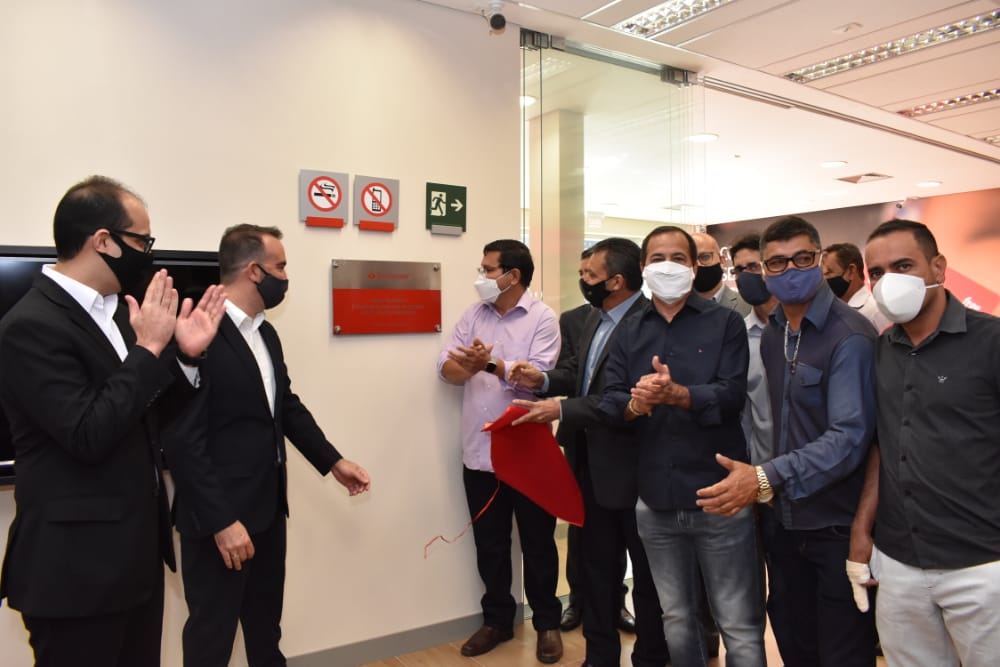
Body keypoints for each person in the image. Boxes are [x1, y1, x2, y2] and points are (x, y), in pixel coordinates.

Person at [0, 175, 226, 666]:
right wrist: (149, 349)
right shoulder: (30, 325)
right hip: (75, 575)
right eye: (142, 241)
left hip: (134, 564)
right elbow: (87, 433)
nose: (149, 254)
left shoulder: (120, 314)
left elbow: (148, 417)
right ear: (103, 240)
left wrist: (185, 357)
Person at [163, 224, 371, 667]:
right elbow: (182, 439)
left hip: (267, 510)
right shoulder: (198, 333)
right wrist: (222, 521)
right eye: (281, 266)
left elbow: (284, 406)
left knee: (265, 631)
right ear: (254, 271)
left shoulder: (265, 333)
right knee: (211, 639)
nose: (286, 276)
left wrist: (333, 461)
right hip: (219, 519)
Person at [697, 216, 877, 667]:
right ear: (764, 270)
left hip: (834, 524)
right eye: (777, 262)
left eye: (802, 258)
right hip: (782, 518)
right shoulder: (775, 332)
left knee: (841, 652)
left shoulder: (850, 335)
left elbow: (849, 437)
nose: (790, 269)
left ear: (819, 259)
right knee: (794, 643)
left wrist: (764, 476)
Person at [599, 226, 764, 667]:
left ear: (694, 266)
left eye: (678, 258)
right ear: (643, 267)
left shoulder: (725, 322)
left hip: (720, 494)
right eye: (658, 258)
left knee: (739, 624)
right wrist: (637, 403)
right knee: (675, 618)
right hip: (656, 497)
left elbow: (731, 396)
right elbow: (611, 400)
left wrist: (679, 395)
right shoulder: (629, 330)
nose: (667, 266)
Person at [509, 237, 668, 667]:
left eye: (589, 275)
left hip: (635, 469)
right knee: (596, 570)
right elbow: (581, 375)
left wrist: (560, 409)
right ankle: (599, 657)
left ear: (616, 280)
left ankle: (650, 657)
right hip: (588, 463)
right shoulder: (592, 318)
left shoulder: (652, 321)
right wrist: (543, 381)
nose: (583, 281)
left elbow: (623, 398)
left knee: (647, 577)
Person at [848, 219, 1000, 667]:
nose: (888, 281)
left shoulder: (991, 342)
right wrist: (862, 531)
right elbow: (882, 446)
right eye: (877, 272)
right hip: (900, 561)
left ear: (938, 267)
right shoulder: (880, 350)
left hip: (982, 564)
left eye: (903, 266)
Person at [436, 239, 564, 664]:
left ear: (513, 276)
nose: (482, 277)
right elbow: (447, 368)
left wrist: (488, 365)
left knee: (538, 544)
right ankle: (497, 621)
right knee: (489, 545)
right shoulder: (474, 314)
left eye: (489, 270)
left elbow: (536, 378)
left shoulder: (542, 319)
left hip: (527, 453)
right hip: (480, 453)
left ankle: (546, 623)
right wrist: (469, 365)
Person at [821, 242, 890, 332]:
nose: (824, 279)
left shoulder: (875, 311)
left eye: (829, 272)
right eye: (822, 274)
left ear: (851, 270)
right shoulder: (835, 310)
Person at [692, 231, 751, 317]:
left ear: (722, 261)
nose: (698, 265)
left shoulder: (748, 307)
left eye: (705, 257)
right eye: (691, 259)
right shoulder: (676, 309)